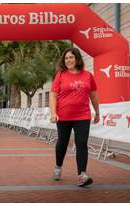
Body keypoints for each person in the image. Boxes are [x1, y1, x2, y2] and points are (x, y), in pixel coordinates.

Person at [49, 47, 100, 187]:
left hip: (83, 115)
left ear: (77, 59)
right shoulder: (60, 75)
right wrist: (53, 113)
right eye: (66, 58)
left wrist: (97, 112)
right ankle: (58, 167)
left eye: (71, 57)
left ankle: (81, 175)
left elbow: (94, 95)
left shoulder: (87, 75)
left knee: (82, 143)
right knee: (62, 143)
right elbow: (53, 95)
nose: (68, 60)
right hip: (63, 116)